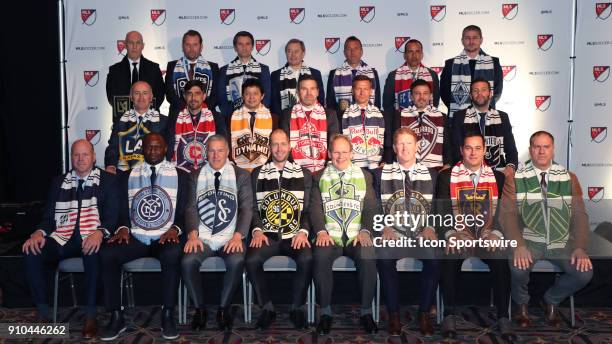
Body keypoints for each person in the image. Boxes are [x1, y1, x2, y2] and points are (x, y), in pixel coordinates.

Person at [22, 139, 118, 338]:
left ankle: (91, 316)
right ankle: (44, 314)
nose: (81, 159)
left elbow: (112, 217)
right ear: (71, 158)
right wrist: (39, 233)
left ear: (94, 157)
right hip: (62, 237)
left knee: (93, 252)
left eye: (85, 154)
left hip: (91, 235)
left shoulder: (108, 181)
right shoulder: (59, 182)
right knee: (31, 251)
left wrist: (99, 233)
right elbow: (49, 217)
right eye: (76, 155)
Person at [100, 133, 191, 341]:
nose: (153, 151)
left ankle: (167, 314)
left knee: (172, 254)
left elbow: (186, 211)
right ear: (142, 149)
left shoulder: (181, 175)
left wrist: (176, 229)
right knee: (107, 254)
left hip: (166, 235)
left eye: (157, 147)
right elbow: (121, 211)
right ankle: (116, 315)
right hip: (136, 236)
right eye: (149, 147)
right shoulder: (126, 177)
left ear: (165, 149)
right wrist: (122, 227)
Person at [500, 131, 593, 328]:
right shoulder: (515, 178)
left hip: (560, 241)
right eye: (537, 147)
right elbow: (507, 215)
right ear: (530, 150)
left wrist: (580, 247)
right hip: (529, 240)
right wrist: (518, 245)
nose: (541, 151)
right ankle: (521, 304)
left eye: (546, 146)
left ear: (553, 149)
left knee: (584, 273)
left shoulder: (569, 178)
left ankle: (550, 300)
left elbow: (579, 215)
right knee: (518, 267)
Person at [436, 132, 514, 340]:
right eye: (468, 148)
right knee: (450, 255)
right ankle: (449, 313)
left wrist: (496, 233)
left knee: (500, 259)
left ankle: (503, 316)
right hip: (459, 233)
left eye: (478, 148)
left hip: (486, 235)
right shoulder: (447, 176)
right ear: (461, 151)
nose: (473, 152)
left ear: (484, 151)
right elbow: (441, 212)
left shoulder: (497, 177)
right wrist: (452, 233)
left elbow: (502, 214)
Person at [373, 128, 440, 336]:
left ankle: (423, 314)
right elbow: (374, 205)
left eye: (409, 143)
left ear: (417, 146)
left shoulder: (432, 174)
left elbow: (438, 206)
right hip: (393, 233)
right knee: (383, 256)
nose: (404, 148)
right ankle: (394, 314)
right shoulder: (380, 173)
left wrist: (430, 226)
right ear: (393, 148)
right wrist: (384, 225)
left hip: (421, 233)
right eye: (400, 144)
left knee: (435, 256)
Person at [182, 135, 253, 332]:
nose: (216, 155)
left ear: (227, 152)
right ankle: (200, 310)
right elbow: (190, 208)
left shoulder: (241, 175)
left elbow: (247, 209)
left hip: (230, 237)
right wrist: (193, 234)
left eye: (220, 150)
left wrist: (239, 235)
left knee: (237, 260)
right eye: (211, 150)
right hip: (202, 236)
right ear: (206, 153)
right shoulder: (196, 175)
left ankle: (223, 310)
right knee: (188, 261)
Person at [310, 134, 379, 335]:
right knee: (320, 256)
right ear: (330, 154)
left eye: (344, 152)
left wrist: (366, 231)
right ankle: (325, 313)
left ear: (352, 153)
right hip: (329, 235)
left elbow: (370, 208)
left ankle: (366, 312)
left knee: (368, 257)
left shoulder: (365, 176)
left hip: (356, 235)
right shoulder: (319, 176)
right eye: (336, 152)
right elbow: (315, 208)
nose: (340, 156)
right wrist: (321, 231)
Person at [246, 129, 313, 330]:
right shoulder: (258, 173)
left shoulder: (304, 173)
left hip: (295, 236)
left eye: (283, 144)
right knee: (251, 259)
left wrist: (303, 231)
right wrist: (257, 230)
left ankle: (297, 308)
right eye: (274, 144)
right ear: (269, 148)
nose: (279, 148)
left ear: (289, 146)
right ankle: (267, 308)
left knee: (307, 258)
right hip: (268, 236)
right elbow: (252, 208)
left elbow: (308, 210)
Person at [450, 77, 518, 175]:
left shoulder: (502, 117)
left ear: (490, 94)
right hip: (467, 172)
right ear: (470, 95)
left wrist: (510, 167)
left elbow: (511, 149)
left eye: (484, 90)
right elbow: (456, 150)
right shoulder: (460, 117)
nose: (480, 94)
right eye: (475, 91)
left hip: (498, 172)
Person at [104, 81, 168, 173]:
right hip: (123, 172)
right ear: (131, 97)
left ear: (151, 97)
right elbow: (113, 147)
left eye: (145, 93)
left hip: (151, 173)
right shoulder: (120, 120)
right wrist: (111, 165)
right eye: (137, 93)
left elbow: (167, 150)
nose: (141, 97)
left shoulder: (163, 121)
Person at [440, 25, 503, 118]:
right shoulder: (450, 64)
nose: (471, 41)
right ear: (462, 41)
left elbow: (497, 91)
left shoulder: (494, 62)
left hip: (486, 117)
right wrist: (459, 109)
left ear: (481, 40)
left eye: (475, 38)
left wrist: (482, 106)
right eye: (467, 38)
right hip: (459, 118)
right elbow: (444, 93)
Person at [280, 74, 339, 173]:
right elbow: (284, 146)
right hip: (295, 171)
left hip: (324, 171)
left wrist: (325, 170)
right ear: (298, 92)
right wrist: (295, 169)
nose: (308, 93)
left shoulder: (330, 114)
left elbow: (334, 146)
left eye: (312, 89)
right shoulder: (287, 114)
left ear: (317, 92)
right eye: (304, 89)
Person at [166, 79, 226, 172]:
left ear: (204, 96)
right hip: (180, 169)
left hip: (209, 169)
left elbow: (223, 145)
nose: (193, 97)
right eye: (189, 94)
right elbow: (170, 146)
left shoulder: (216, 117)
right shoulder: (175, 117)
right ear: (184, 96)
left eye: (197, 93)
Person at [106, 31, 164, 123]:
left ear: (143, 46)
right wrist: (130, 116)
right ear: (125, 45)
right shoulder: (114, 70)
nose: (134, 46)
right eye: (130, 43)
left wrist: (143, 113)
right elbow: (111, 98)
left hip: (149, 122)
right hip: (123, 122)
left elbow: (159, 96)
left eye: (138, 43)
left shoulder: (154, 68)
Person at [394, 79, 450, 169]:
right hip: (407, 167)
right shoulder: (400, 115)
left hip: (435, 168)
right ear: (411, 96)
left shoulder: (441, 116)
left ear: (430, 96)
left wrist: (448, 163)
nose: (421, 97)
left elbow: (447, 143)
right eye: (417, 93)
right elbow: (396, 143)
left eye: (425, 93)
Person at [218, 31, 271, 120]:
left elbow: (267, 97)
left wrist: (256, 114)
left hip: (258, 117)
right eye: (240, 44)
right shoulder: (224, 70)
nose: (244, 47)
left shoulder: (263, 69)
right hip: (231, 118)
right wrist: (232, 115)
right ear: (235, 47)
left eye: (247, 44)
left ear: (252, 46)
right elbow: (221, 98)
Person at [165, 30, 219, 116]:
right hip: (178, 115)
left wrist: (199, 110)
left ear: (201, 47)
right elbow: (170, 95)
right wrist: (188, 110)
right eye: (188, 45)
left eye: (195, 45)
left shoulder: (213, 67)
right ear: (183, 47)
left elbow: (215, 96)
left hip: (207, 116)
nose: (191, 49)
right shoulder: (172, 66)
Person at [229, 78, 278, 172]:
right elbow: (227, 147)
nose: (251, 97)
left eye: (255, 93)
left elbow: (275, 147)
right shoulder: (231, 118)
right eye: (247, 94)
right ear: (242, 96)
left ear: (262, 96)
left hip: (266, 170)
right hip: (238, 170)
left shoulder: (274, 118)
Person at [326, 36, 381, 118]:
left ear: (361, 52)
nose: (352, 52)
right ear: (344, 52)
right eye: (349, 49)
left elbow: (377, 102)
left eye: (356, 48)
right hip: (342, 121)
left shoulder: (373, 73)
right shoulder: (334, 73)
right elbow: (330, 103)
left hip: (368, 121)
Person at [341, 75, 386, 170]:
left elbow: (387, 141)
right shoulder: (343, 115)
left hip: (377, 166)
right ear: (352, 91)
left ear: (370, 91)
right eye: (358, 89)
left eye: (365, 89)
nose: (362, 92)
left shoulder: (381, 114)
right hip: (351, 167)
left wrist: (384, 161)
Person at [383, 38, 440, 112]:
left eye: (417, 51)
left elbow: (435, 102)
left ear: (422, 55)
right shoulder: (393, 76)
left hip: (426, 119)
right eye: (410, 52)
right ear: (404, 55)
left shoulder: (432, 75)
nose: (414, 55)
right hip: (400, 120)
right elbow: (388, 104)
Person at [271, 39, 325, 115]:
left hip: (312, 118)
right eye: (289, 51)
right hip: (285, 120)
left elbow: (320, 98)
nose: (292, 55)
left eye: (296, 51)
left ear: (303, 53)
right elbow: (274, 102)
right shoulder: (276, 75)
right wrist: (283, 119)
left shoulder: (315, 73)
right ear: (286, 53)